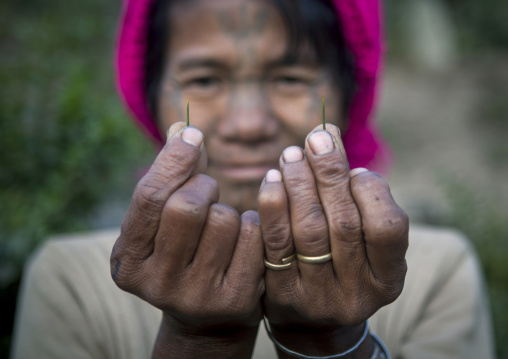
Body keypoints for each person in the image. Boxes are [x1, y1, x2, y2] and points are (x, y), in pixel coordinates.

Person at [11, 0, 495, 358]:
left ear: (350, 94)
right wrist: (197, 338)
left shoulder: (433, 272)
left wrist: (329, 342)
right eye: (204, 80)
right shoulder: (71, 281)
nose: (248, 124)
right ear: (149, 93)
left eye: (290, 79)